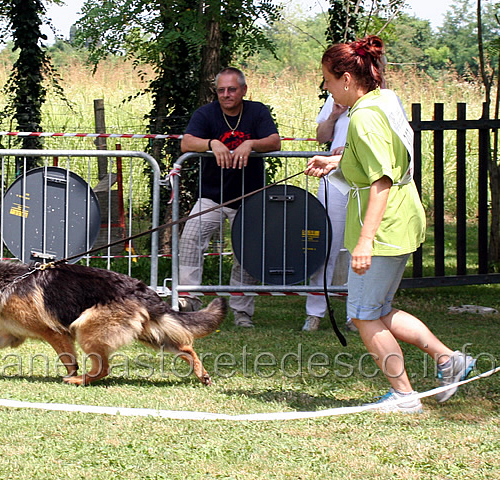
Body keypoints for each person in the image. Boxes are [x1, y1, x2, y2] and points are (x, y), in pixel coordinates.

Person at [305, 35, 475, 413]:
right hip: (402, 219)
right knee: (378, 309)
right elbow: (386, 157)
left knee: (363, 316)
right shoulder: (384, 100)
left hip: (382, 228)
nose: (329, 91)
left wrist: (365, 242)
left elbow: (381, 179)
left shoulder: (363, 115)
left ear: (347, 78)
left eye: (329, 82)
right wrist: (336, 163)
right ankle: (450, 361)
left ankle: (404, 396)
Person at [178, 67, 281, 328]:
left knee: (245, 255)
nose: (226, 94)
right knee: (190, 240)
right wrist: (211, 143)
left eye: (232, 89)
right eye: (221, 90)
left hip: (249, 197)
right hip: (211, 197)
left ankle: (242, 312)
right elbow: (187, 142)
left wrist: (251, 144)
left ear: (243, 90)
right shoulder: (206, 113)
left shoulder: (257, 111)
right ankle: (188, 302)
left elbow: (274, 141)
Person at [301, 94, 355, 332]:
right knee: (326, 244)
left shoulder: (384, 99)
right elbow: (322, 136)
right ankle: (314, 313)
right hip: (335, 179)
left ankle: (357, 315)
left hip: (366, 177)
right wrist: (334, 114)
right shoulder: (337, 96)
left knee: (362, 247)